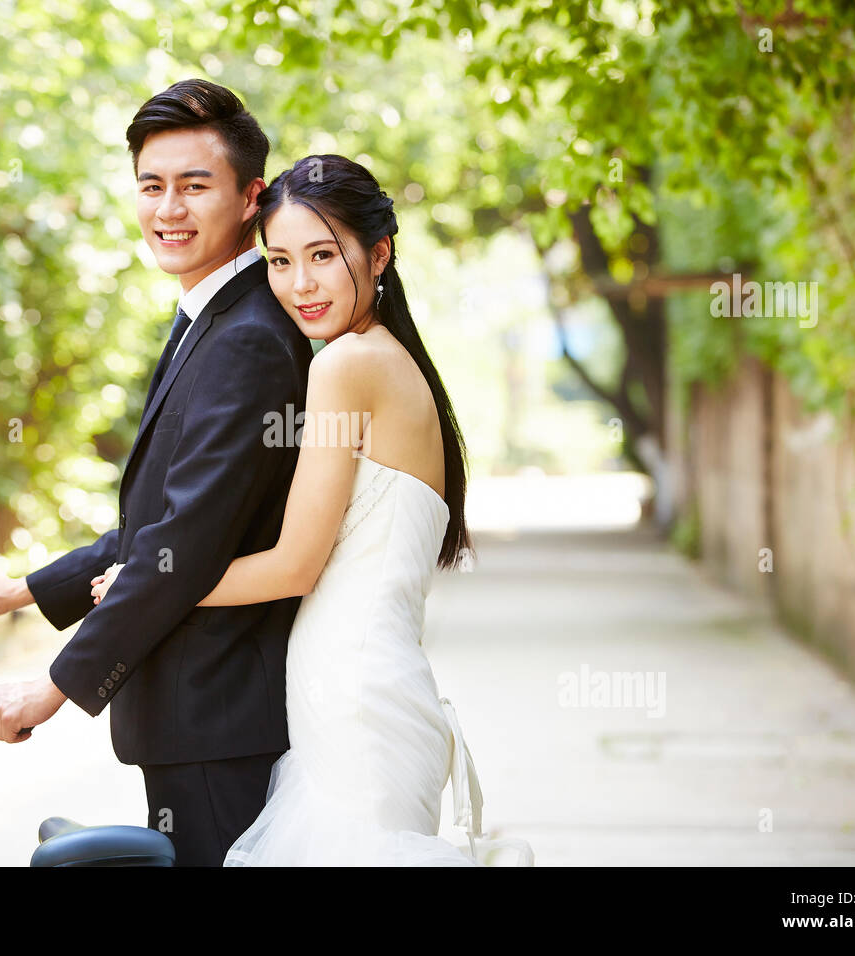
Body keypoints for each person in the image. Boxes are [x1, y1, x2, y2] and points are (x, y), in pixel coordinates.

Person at [92, 155, 535, 866]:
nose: (300, 285)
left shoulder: (345, 366)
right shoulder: (387, 360)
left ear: (379, 252)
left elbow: (294, 565)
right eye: (280, 261)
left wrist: (144, 586)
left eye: (324, 256)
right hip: (365, 690)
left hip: (353, 698)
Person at [0, 79, 313, 867]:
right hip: (193, 719)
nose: (168, 209)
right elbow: (154, 531)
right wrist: (17, 593)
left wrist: (53, 688)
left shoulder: (247, 338)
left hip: (219, 715)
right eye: (152, 186)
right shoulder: (207, 319)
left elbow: (188, 541)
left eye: (194, 186)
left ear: (251, 197)